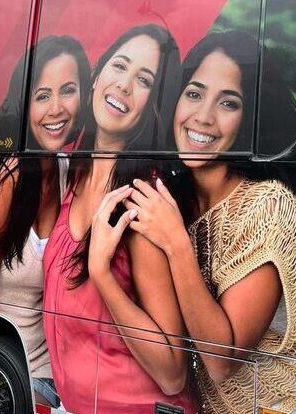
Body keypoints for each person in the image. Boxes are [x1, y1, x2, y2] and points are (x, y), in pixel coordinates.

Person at [120, 31, 296, 413]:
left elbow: (221, 361)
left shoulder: (268, 205)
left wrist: (176, 245)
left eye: (228, 103)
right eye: (195, 93)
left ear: (248, 118)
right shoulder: (178, 203)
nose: (203, 116)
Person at [42, 24, 197, 413]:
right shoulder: (72, 179)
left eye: (144, 80)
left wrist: (102, 274)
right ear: (96, 77)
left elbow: (173, 372)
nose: (124, 86)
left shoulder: (141, 203)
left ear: (154, 105)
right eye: (120, 66)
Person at [0, 36, 92, 407]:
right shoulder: (10, 175)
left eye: (68, 90)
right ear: (24, 106)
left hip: (57, 373)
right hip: (7, 373)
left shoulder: (71, 175)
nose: (56, 109)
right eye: (42, 96)